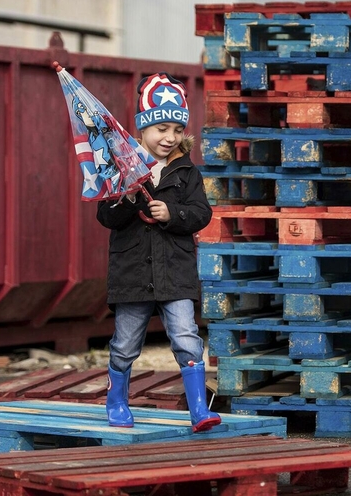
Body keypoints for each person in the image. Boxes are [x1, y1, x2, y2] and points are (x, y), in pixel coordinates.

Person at [96, 72, 221, 433]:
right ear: (142, 128)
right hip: (132, 273)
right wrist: (131, 198)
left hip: (175, 273)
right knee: (125, 343)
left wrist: (173, 213)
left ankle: (199, 409)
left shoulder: (186, 172)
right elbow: (106, 216)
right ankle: (117, 401)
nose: (169, 137)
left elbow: (201, 213)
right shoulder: (122, 169)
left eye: (177, 130)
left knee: (186, 336)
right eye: (161, 128)